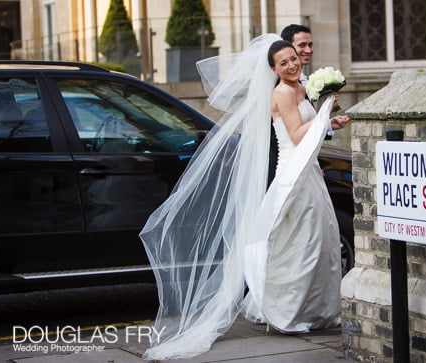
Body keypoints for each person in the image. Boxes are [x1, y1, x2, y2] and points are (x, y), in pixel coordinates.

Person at [139, 34, 341, 360]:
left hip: (308, 171)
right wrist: (325, 112)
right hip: (293, 174)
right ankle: (289, 313)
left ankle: (314, 309)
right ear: (274, 69)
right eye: (283, 62)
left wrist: (328, 121)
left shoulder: (302, 87)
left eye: (293, 58)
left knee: (317, 241)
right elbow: (297, 134)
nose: (291, 64)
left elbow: (311, 129)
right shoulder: (283, 92)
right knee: (299, 244)